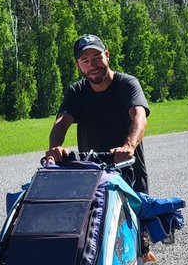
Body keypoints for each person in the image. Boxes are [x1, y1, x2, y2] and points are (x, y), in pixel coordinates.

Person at [45, 34, 151, 194]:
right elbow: (61, 122)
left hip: (129, 174)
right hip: (93, 178)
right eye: (85, 61)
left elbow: (139, 117)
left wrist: (128, 146)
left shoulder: (127, 84)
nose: (92, 65)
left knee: (136, 218)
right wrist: (54, 148)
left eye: (96, 57)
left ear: (107, 55)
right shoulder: (77, 91)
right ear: (78, 65)